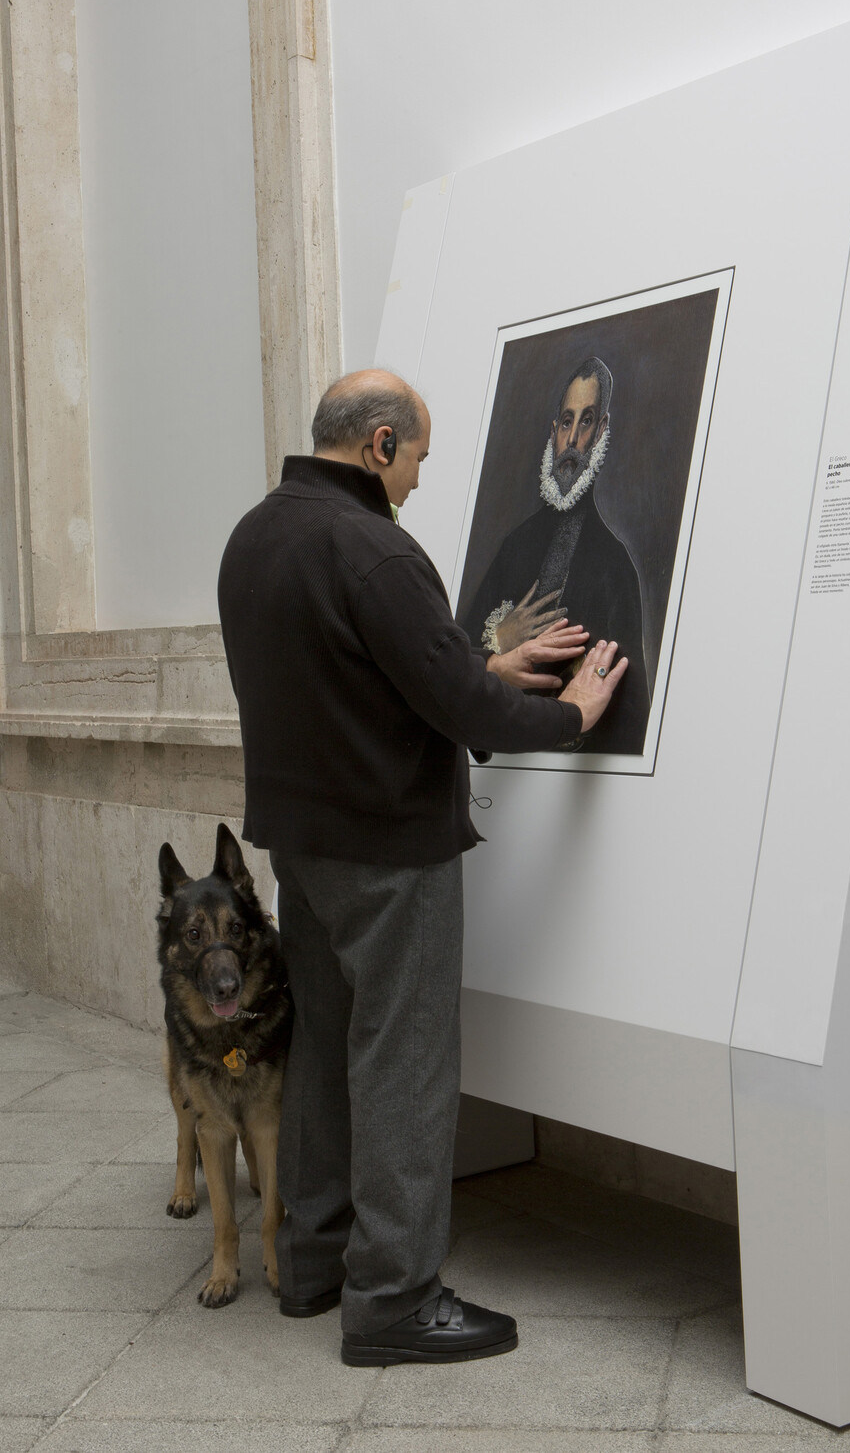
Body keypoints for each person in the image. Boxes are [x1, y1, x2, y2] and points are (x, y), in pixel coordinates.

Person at [217, 368, 626, 1368]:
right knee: (404, 1064)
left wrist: (473, 668)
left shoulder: (254, 537)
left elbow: (353, 680)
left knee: (322, 1051)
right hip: (390, 850)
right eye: (416, 462)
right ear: (381, 443)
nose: (416, 483)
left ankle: (311, 1267)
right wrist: (571, 713)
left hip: (304, 848)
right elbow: (464, 711)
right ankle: (394, 1300)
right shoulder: (378, 550)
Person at [459, 356, 650, 754]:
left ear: (601, 430)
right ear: (553, 431)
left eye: (586, 421)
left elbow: (633, 721)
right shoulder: (514, 546)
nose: (573, 440)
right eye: (566, 422)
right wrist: (500, 639)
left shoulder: (616, 567)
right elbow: (450, 667)